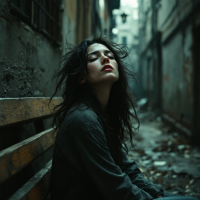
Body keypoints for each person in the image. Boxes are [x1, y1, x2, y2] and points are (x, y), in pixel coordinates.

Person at [49, 35, 197, 200]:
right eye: (93, 58)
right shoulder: (84, 120)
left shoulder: (102, 114)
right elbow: (115, 187)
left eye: (110, 56)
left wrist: (157, 194)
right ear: (81, 77)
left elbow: (126, 167)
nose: (106, 58)